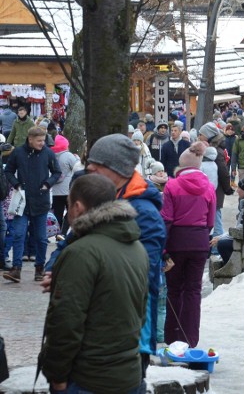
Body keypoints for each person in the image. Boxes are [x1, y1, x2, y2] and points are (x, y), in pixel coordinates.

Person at [40, 174, 149, 394]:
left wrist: (57, 377)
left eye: (69, 205)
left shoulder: (82, 252)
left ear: (77, 207)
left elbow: (65, 322)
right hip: (128, 374)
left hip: (89, 379)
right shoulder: (136, 247)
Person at [85, 133, 167, 373]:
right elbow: (72, 240)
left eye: (97, 165)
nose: (90, 168)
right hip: (101, 320)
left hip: (131, 328)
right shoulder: (99, 199)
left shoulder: (144, 212)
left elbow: (143, 274)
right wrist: (55, 267)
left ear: (117, 169)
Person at [160, 141, 216, 347]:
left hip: (176, 242)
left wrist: (163, 249)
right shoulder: (209, 188)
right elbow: (210, 221)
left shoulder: (172, 185)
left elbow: (166, 219)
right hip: (199, 242)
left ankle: (173, 337)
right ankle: (190, 338)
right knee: (193, 291)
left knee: (174, 290)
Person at [3, 126, 60, 283]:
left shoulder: (48, 153)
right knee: (19, 234)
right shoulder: (18, 153)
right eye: (39, 140)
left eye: (43, 140)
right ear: (30, 139)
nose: (42, 143)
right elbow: (8, 171)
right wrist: (16, 184)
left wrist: (47, 184)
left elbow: (57, 172)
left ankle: (39, 268)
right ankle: (16, 269)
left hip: (41, 202)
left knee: (41, 238)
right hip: (22, 202)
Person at [51, 134, 80, 234]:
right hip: (67, 190)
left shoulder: (51, 156)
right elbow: (77, 168)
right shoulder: (68, 155)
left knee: (57, 213)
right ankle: (66, 232)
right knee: (71, 212)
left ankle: (57, 233)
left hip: (55, 191)